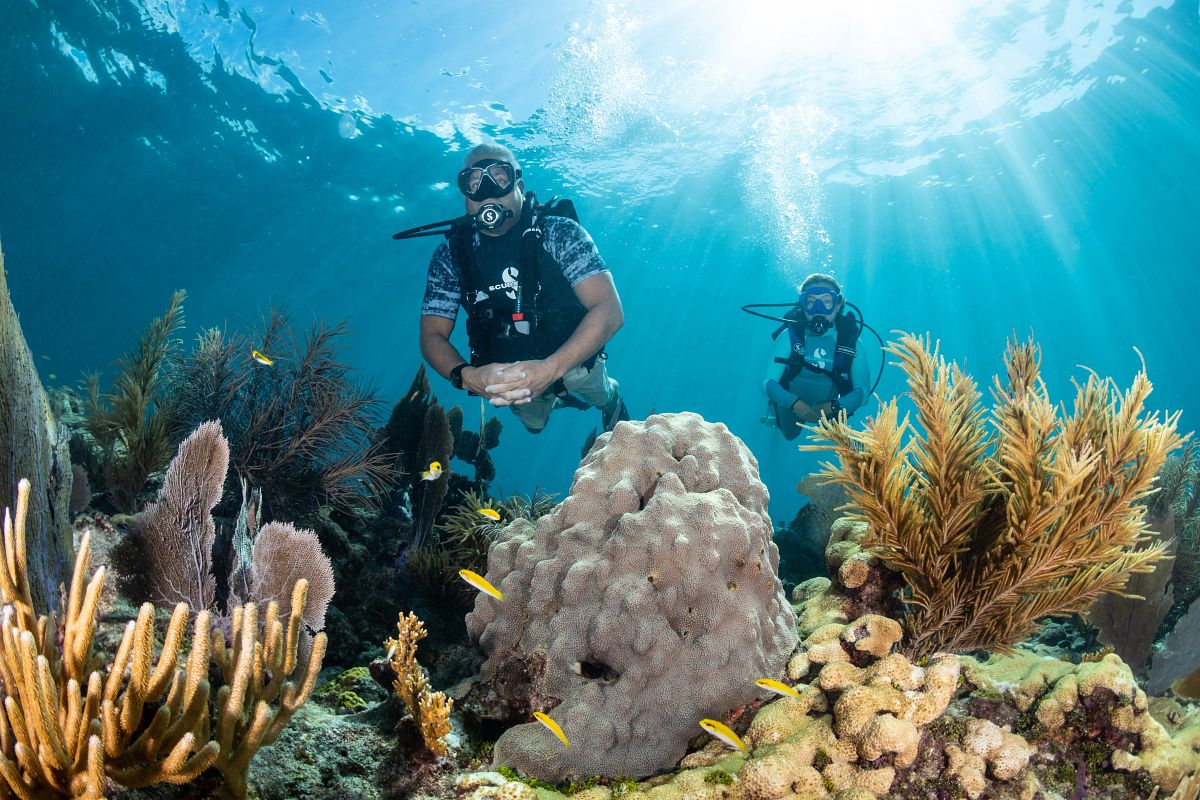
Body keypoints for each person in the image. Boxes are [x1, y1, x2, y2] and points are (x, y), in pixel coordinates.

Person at [418, 142, 628, 434]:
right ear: (464, 193)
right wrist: (467, 377)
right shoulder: (449, 257)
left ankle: (610, 396)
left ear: (519, 184)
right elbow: (432, 334)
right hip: (512, 378)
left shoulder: (559, 232)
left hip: (578, 362)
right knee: (535, 425)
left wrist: (551, 369)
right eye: (474, 182)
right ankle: (554, 402)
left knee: (601, 395)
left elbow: (610, 310)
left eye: (499, 178)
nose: (487, 192)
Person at [762, 273, 871, 440]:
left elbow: (863, 394)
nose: (818, 310)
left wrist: (834, 407)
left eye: (826, 302)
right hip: (791, 403)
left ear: (838, 305)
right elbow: (767, 383)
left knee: (834, 439)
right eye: (811, 302)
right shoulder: (789, 335)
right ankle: (774, 409)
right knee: (789, 434)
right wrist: (793, 402)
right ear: (802, 304)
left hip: (832, 407)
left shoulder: (851, 342)